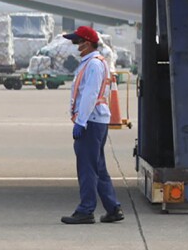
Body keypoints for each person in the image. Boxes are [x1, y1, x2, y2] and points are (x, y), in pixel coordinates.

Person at [60, 25, 123, 226]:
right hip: (96, 121)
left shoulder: (93, 65)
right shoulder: (93, 62)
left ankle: (86, 210)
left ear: (87, 43)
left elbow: (90, 95)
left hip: (91, 122)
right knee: (98, 166)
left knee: (87, 167)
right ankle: (113, 208)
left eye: (77, 41)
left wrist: (80, 121)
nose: (75, 45)